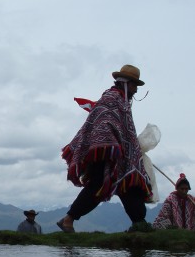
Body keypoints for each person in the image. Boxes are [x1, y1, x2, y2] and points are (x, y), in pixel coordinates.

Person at [58, 65, 152, 233]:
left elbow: (122, 129)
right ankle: (68, 219)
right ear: (126, 83)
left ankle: (139, 223)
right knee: (99, 186)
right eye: (134, 85)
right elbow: (104, 122)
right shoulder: (111, 98)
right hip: (105, 152)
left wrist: (130, 147)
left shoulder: (121, 101)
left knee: (127, 185)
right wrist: (111, 146)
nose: (136, 90)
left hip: (120, 155)